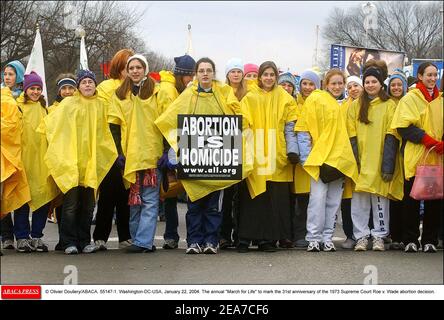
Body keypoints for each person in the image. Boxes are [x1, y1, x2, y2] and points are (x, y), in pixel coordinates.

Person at [155, 57, 249, 254]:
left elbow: (238, 119)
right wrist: (174, 152)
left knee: (214, 206)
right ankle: (194, 241)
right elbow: (170, 119)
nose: (205, 73)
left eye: (208, 70)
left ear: (214, 73)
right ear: (197, 74)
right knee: (194, 205)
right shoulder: (188, 94)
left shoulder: (224, 92)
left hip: (217, 159)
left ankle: (211, 241)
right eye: (201, 70)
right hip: (194, 159)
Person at [41, 69, 117, 254]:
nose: (88, 85)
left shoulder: (102, 105)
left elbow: (106, 133)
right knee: (70, 205)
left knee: (88, 206)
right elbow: (51, 126)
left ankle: (84, 241)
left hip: (91, 164)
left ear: (95, 84)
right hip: (72, 164)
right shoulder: (69, 104)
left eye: (91, 82)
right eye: (84, 82)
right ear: (79, 86)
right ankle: (68, 242)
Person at [236, 61, 298, 253]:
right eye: (265, 74)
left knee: (274, 200)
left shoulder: (285, 98)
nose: (269, 78)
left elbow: (290, 126)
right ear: (260, 76)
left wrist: (291, 150)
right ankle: (245, 238)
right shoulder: (249, 98)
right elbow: (243, 124)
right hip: (256, 154)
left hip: (277, 153)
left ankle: (268, 240)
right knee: (253, 199)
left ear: (276, 77)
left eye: (272, 74)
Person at [296, 68, 358, 252]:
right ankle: (313, 237)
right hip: (320, 159)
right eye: (334, 83)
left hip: (339, 160)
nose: (337, 86)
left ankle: (327, 236)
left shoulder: (347, 104)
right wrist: (307, 157)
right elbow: (304, 127)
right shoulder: (316, 99)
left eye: (340, 83)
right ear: (326, 84)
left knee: (333, 202)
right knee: (317, 199)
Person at [108, 54, 163, 253]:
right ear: (127, 71)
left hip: (151, 154)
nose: (135, 71)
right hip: (129, 155)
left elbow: (167, 121)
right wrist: (118, 152)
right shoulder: (120, 94)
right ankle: (139, 238)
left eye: (139, 67)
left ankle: (143, 241)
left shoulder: (157, 91)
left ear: (145, 69)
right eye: (131, 68)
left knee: (149, 200)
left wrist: (166, 150)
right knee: (134, 201)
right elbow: (113, 126)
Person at [347, 66, 403, 252]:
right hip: (361, 163)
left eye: (374, 81)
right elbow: (351, 135)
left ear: (381, 84)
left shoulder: (389, 105)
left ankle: (379, 236)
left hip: (379, 162)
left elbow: (391, 136)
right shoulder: (355, 106)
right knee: (359, 203)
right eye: (367, 82)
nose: (370, 85)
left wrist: (387, 165)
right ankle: (361, 237)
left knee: (380, 202)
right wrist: (355, 161)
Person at [391, 62, 443, 253]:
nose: (432, 78)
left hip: (436, 156)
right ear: (420, 76)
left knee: (434, 199)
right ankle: (410, 239)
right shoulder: (410, 98)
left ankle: (430, 240)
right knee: (411, 198)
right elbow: (403, 127)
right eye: (429, 75)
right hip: (415, 155)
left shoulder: (441, 100)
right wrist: (427, 140)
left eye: (435, 75)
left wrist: (440, 143)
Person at [94, 49, 134, 251]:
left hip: (130, 147)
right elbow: (101, 118)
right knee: (109, 193)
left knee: (126, 194)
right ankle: (100, 236)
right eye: (127, 65)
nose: (130, 69)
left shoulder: (134, 88)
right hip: (108, 147)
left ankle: (125, 236)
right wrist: (113, 149)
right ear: (119, 66)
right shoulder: (106, 87)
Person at [14, 72, 59, 252]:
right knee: (23, 201)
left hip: (42, 162)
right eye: (32, 88)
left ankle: (37, 236)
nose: (35, 91)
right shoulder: (17, 108)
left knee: (43, 199)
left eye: (38, 89)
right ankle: (22, 237)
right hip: (24, 160)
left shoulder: (45, 110)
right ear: (25, 90)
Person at [156, 54, 196, 250]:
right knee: (172, 192)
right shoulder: (168, 91)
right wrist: (166, 151)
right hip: (173, 147)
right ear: (182, 75)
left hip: (184, 145)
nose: (192, 80)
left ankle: (186, 236)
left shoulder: (178, 90)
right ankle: (171, 235)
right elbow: (166, 121)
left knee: (184, 193)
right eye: (190, 76)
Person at [47, 73, 77, 251]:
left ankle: (71, 238)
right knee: (61, 201)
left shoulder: (80, 107)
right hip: (59, 159)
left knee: (74, 202)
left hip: (76, 159)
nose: (67, 91)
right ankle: (63, 238)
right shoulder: (52, 110)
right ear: (59, 91)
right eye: (64, 88)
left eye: (70, 88)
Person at [291, 70, 321, 248]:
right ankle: (298, 234)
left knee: (314, 199)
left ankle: (312, 233)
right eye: (305, 83)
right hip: (298, 161)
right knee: (299, 200)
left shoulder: (320, 103)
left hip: (316, 156)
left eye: (311, 84)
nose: (308, 87)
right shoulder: (294, 104)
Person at [1, 80, 31, 255]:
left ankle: (22, 236)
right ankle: (6, 237)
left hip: (20, 155)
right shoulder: (4, 99)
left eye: (11, 74)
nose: (7, 77)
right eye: (5, 74)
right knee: (3, 197)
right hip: (5, 155)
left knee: (20, 195)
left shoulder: (24, 102)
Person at [339, 75, 364, 249]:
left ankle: (367, 233)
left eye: (356, 85)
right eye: (350, 86)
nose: (353, 89)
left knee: (364, 198)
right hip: (348, 158)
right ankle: (350, 234)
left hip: (366, 157)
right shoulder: (342, 107)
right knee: (347, 199)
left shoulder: (369, 105)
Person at [386, 72, 408, 250]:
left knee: (407, 197)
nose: (396, 88)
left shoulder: (408, 103)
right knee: (393, 197)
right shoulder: (387, 104)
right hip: (392, 154)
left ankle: (406, 235)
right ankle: (393, 235)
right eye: (393, 85)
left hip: (408, 156)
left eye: (399, 85)